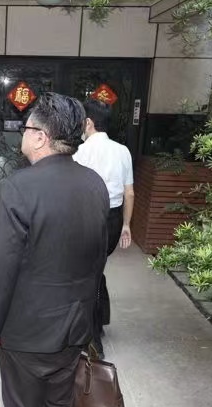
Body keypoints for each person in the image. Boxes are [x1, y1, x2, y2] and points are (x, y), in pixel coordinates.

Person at [0, 93, 109, 407]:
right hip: (75, 329)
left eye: (26, 128)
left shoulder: (15, 188)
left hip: (27, 333)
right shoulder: (95, 184)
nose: (22, 134)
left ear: (40, 137)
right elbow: (98, 261)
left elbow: (0, 270)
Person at [72, 99, 134, 359]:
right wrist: (126, 225)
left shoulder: (80, 153)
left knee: (86, 275)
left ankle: (92, 337)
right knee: (96, 270)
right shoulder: (123, 151)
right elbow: (129, 193)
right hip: (113, 220)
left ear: (89, 123)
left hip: (87, 218)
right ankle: (100, 319)